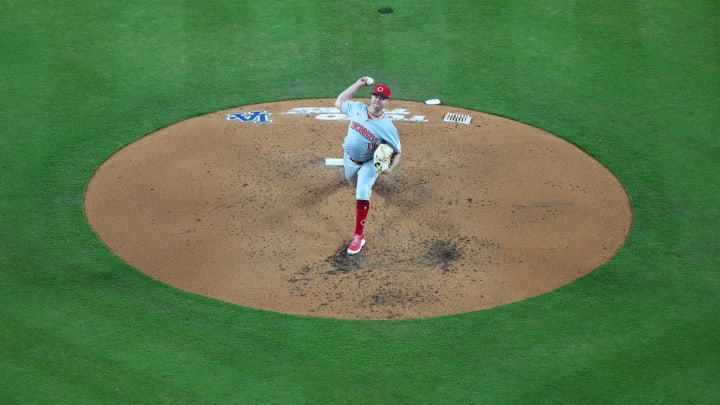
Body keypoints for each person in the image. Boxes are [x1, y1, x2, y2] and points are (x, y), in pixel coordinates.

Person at [334, 77, 402, 254]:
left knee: (362, 191)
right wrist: (357, 84)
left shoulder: (388, 127)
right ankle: (363, 184)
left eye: (381, 98)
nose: (377, 100)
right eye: (375, 96)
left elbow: (398, 151)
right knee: (354, 184)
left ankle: (359, 236)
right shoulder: (357, 108)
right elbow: (339, 101)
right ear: (371, 97)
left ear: (387, 101)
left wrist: (389, 169)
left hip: (369, 163)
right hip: (349, 159)